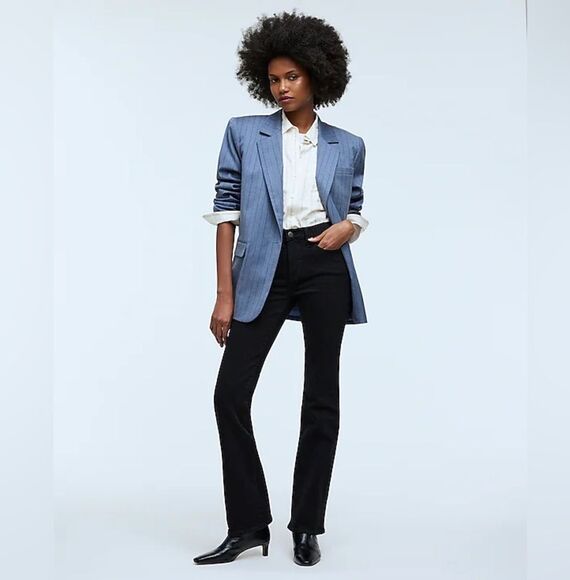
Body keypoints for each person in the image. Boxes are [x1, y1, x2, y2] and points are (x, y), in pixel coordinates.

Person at [193, 9, 369, 567]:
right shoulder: (245, 132)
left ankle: (307, 526)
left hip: (324, 265)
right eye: (273, 79)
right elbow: (226, 211)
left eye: (292, 76)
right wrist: (224, 294)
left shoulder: (348, 144)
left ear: (318, 75)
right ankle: (248, 525)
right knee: (230, 395)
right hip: (262, 267)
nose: (282, 88)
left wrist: (350, 228)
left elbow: (354, 205)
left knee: (321, 398)